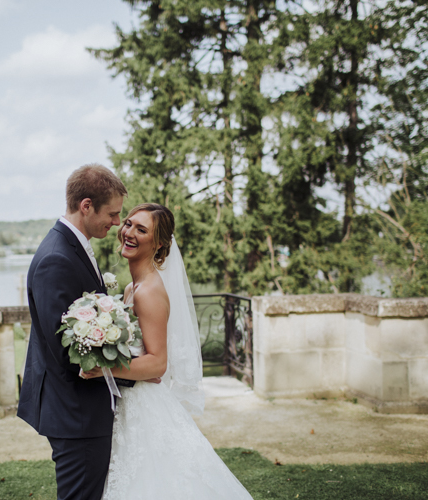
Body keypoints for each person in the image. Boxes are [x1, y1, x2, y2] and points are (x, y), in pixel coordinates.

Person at [81, 203, 254, 499]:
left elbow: (157, 364)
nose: (129, 232)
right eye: (128, 224)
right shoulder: (132, 289)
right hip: (129, 401)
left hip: (144, 407)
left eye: (141, 229)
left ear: (159, 244)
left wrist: (104, 368)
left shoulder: (148, 292)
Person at [17, 163, 132, 500]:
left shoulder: (71, 246)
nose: (115, 222)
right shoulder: (57, 258)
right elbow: (66, 351)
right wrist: (132, 369)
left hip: (80, 409)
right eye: (111, 214)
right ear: (86, 206)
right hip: (76, 412)